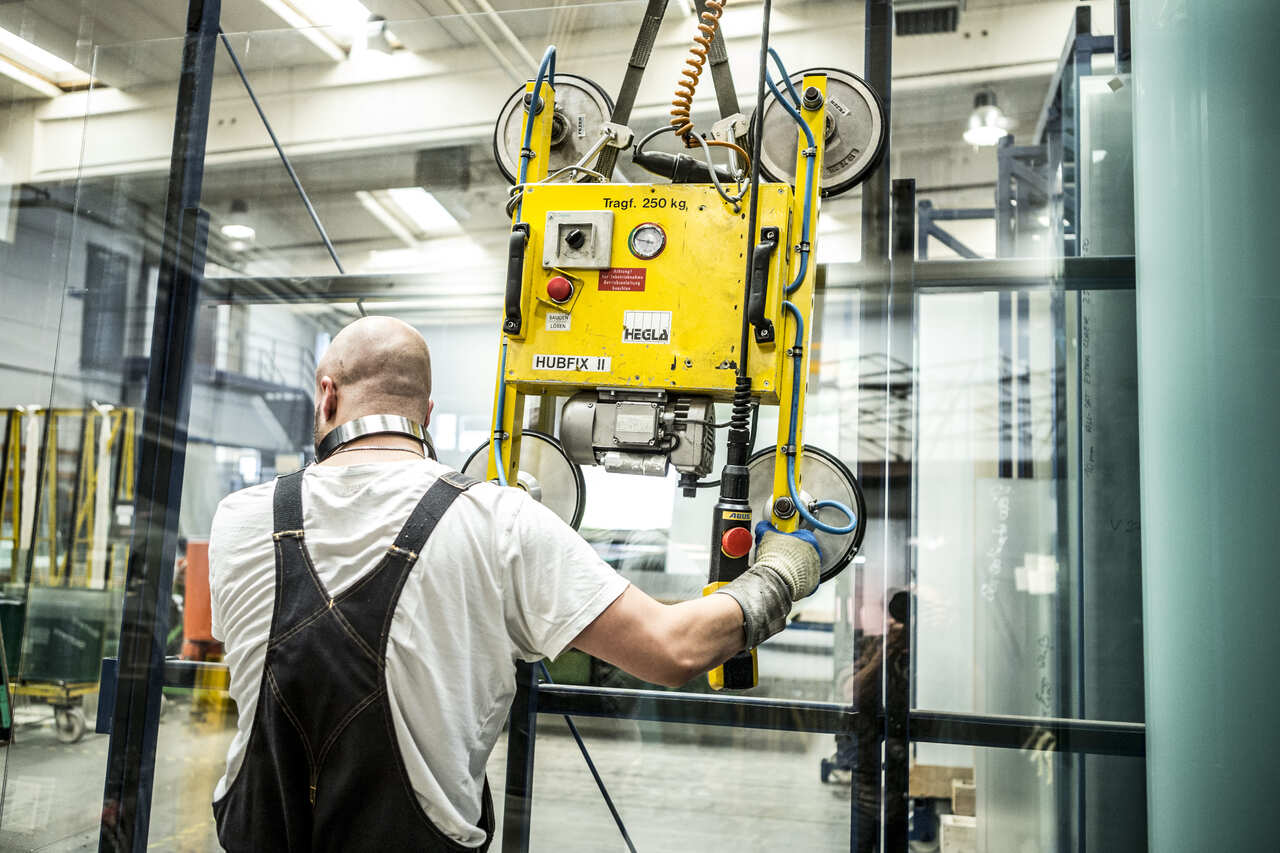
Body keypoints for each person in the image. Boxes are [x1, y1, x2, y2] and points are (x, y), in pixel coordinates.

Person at [208, 316, 820, 852]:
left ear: (326, 396)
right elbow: (674, 649)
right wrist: (780, 574)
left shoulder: (237, 520)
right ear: (427, 414)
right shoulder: (500, 521)